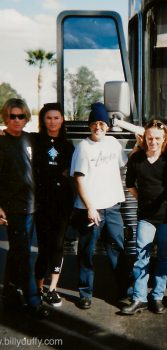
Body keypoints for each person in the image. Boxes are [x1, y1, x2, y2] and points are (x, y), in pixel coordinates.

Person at [70, 102, 127, 309]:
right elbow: (79, 179)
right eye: (94, 123)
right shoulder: (83, 147)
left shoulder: (113, 143)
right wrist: (91, 207)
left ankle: (124, 292)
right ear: (89, 126)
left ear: (108, 126)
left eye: (102, 123)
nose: (98, 127)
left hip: (112, 207)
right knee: (87, 252)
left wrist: (139, 144)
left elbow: (124, 163)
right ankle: (85, 293)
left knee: (117, 249)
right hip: (90, 209)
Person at [121, 120, 167, 315]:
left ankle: (157, 297)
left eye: (157, 138)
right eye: (150, 138)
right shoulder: (136, 159)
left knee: (163, 257)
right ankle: (139, 298)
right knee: (141, 257)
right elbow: (130, 185)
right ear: (144, 138)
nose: (153, 142)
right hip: (145, 217)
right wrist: (143, 201)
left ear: (164, 139)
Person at [0, 98, 49, 318]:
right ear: (5, 118)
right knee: (25, 254)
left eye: (21, 116)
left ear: (27, 117)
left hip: (30, 206)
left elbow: (52, 142)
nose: (17, 120)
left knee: (19, 250)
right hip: (12, 207)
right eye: (13, 116)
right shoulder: (1, 143)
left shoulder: (31, 139)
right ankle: (33, 301)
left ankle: (9, 292)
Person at [33, 103, 75, 307]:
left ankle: (52, 289)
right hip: (41, 202)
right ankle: (38, 288)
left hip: (62, 204)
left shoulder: (68, 146)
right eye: (48, 118)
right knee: (43, 247)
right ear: (43, 120)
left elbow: (71, 174)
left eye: (56, 117)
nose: (52, 121)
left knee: (58, 246)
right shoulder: (34, 141)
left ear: (62, 120)